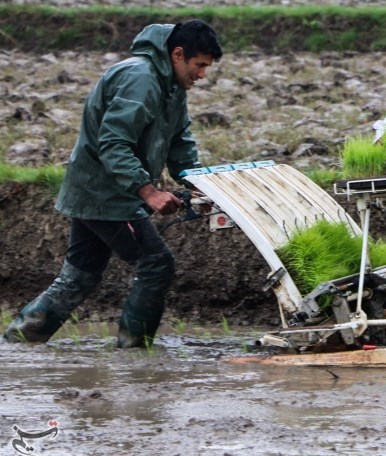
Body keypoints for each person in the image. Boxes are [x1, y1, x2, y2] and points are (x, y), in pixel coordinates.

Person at [3, 19, 223, 348]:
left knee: (79, 274)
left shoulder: (172, 86)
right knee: (155, 263)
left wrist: (202, 185)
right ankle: (133, 356)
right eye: (199, 65)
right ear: (177, 54)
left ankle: (17, 344)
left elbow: (180, 143)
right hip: (105, 192)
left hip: (104, 189)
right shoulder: (140, 78)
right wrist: (148, 191)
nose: (202, 74)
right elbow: (113, 143)